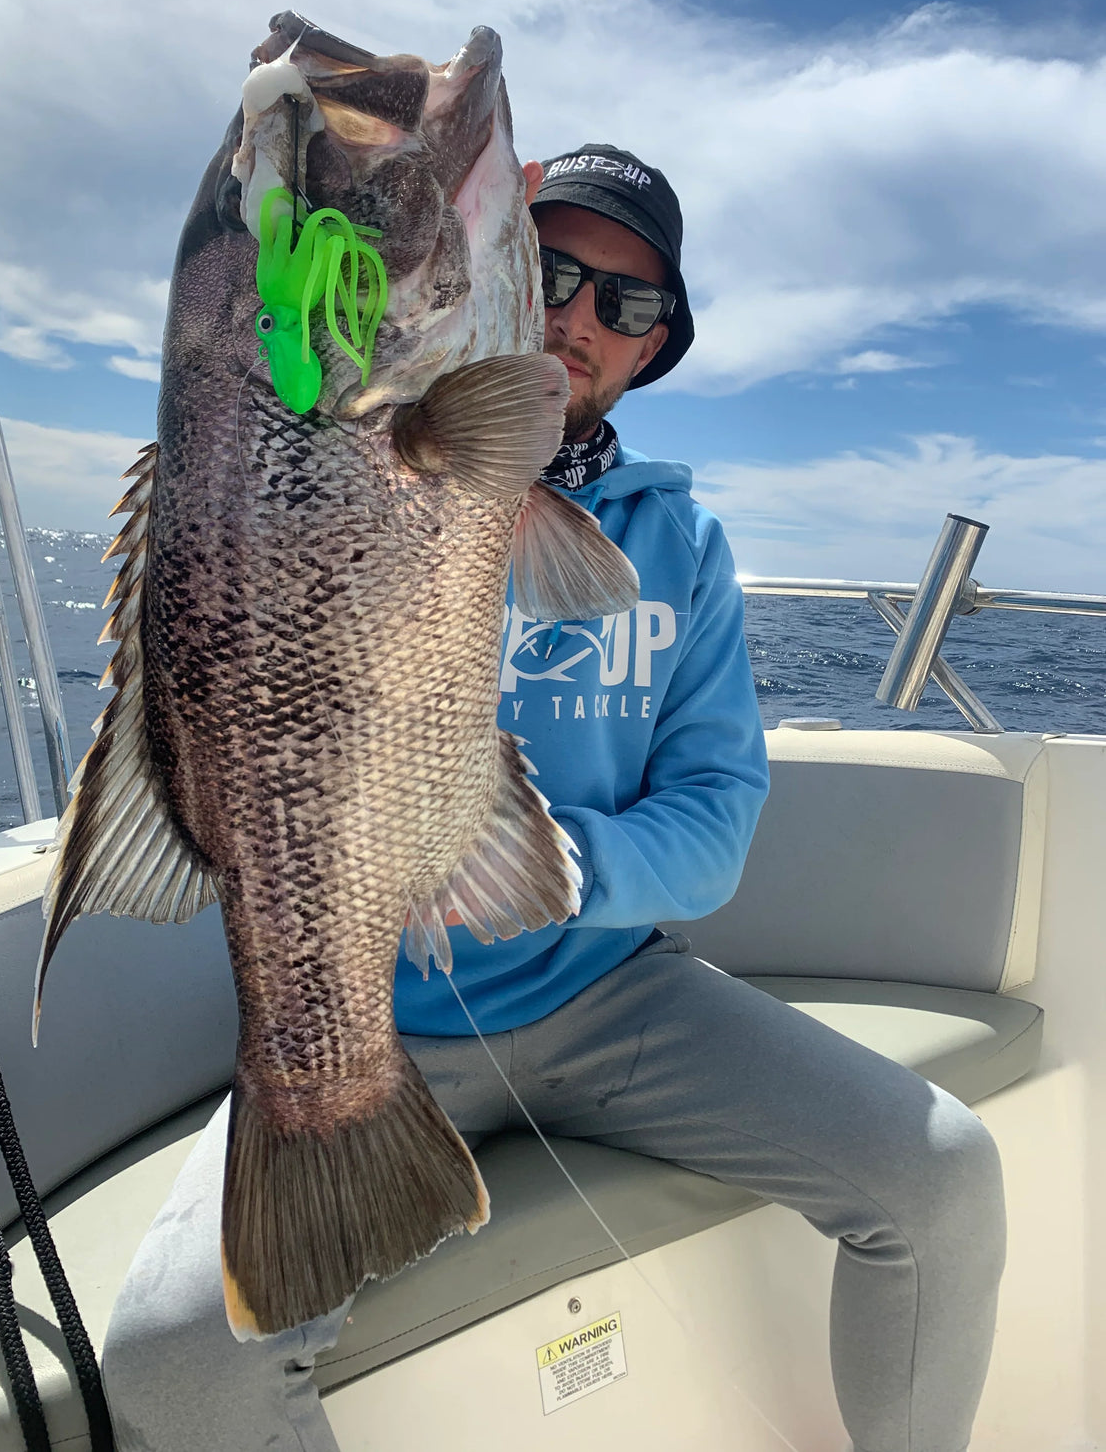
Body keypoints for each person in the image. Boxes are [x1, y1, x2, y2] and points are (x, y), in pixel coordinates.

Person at [103, 146, 1005, 1452]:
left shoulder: (681, 545)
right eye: (555, 268)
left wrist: (542, 870)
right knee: (176, 1361)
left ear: (652, 347)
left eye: (626, 301)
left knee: (942, 1172)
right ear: (494, 275)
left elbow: (712, 822)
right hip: (370, 1012)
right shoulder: (351, 458)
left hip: (616, 997)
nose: (581, 314)